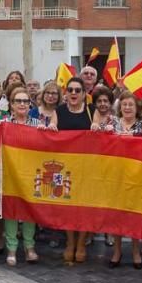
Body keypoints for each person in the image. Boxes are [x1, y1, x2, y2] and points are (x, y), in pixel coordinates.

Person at [2, 87, 46, 266]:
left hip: (31, 173)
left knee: (29, 209)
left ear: (30, 104)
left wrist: (48, 131)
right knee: (11, 210)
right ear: (11, 105)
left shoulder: (37, 123)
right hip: (10, 172)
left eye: (25, 101)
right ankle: (11, 248)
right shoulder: (4, 123)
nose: (22, 104)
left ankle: (29, 247)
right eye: (18, 101)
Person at [107, 92, 142, 270]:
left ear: (137, 107)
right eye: (124, 104)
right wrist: (98, 128)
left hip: (137, 174)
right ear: (120, 107)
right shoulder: (112, 123)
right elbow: (98, 135)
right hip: (115, 174)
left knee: (133, 213)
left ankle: (135, 251)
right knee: (116, 213)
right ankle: (116, 250)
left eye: (131, 104)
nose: (127, 108)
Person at [56, 77, 92, 263]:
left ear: (84, 94)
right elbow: (52, 132)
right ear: (66, 92)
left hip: (87, 167)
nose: (74, 93)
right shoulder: (59, 111)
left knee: (84, 205)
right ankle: (70, 242)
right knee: (67, 204)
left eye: (78, 90)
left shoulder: (91, 111)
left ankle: (81, 243)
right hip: (64, 166)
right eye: (70, 89)